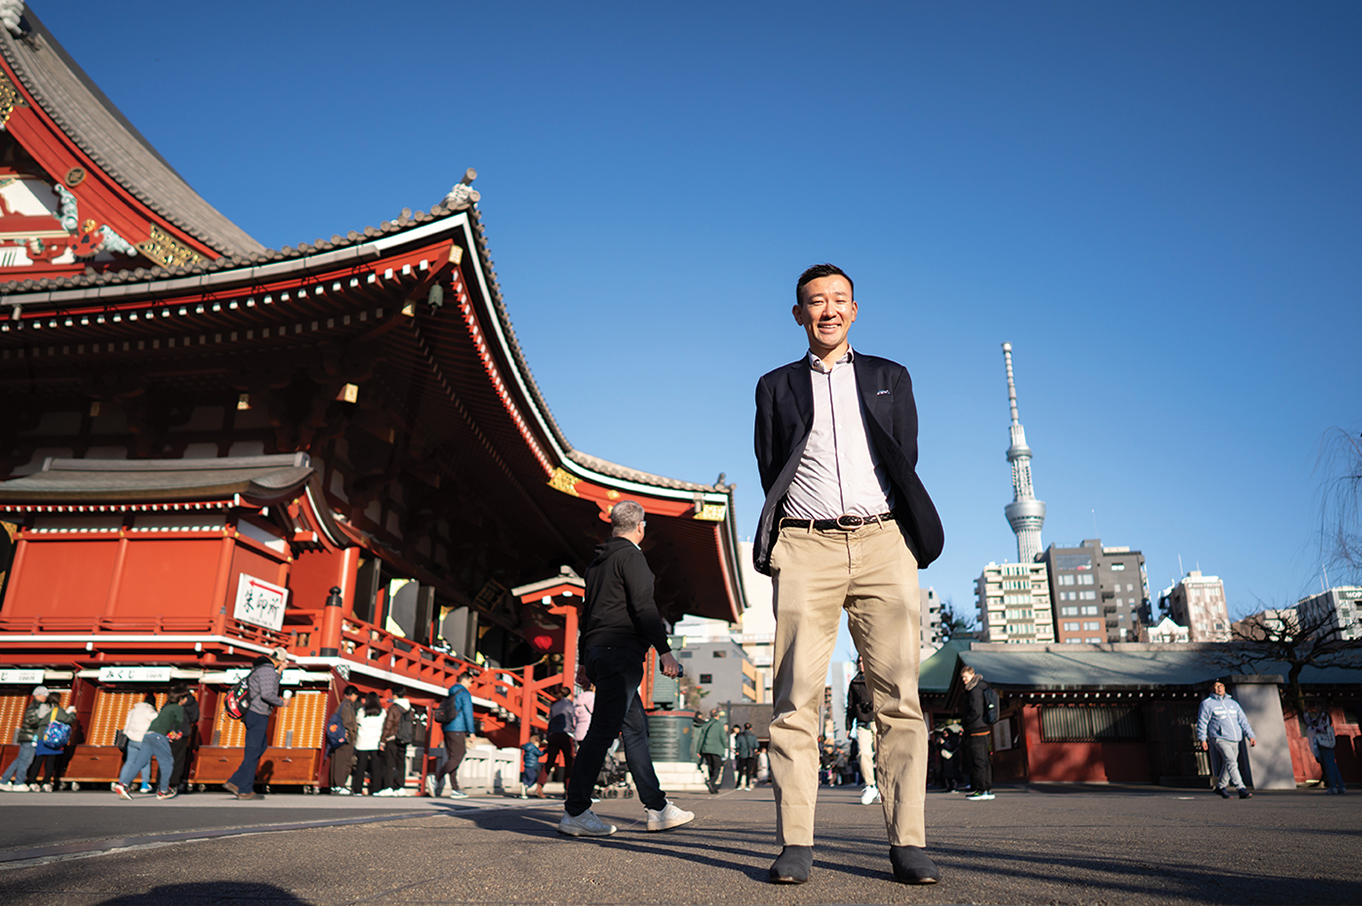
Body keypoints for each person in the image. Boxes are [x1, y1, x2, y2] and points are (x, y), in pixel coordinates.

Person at [753, 263, 945, 885]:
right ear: (798, 315)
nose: (828, 310)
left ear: (854, 310)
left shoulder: (890, 376)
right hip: (806, 546)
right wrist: (794, 537)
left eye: (839, 300)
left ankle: (908, 842)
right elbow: (770, 463)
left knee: (899, 699)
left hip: (884, 541)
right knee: (794, 700)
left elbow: (904, 455)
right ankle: (795, 843)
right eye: (815, 302)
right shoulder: (774, 385)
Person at [557, 499, 695, 837]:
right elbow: (644, 607)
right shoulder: (633, 558)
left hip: (599, 652)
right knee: (604, 731)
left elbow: (587, 616)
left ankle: (658, 808)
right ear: (640, 526)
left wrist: (582, 661)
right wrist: (665, 651)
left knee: (634, 728)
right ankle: (576, 810)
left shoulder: (596, 564)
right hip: (620, 654)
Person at [224, 646, 291, 801]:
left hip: (253, 713)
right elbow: (268, 693)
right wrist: (282, 702)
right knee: (253, 752)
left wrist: (279, 673)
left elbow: (268, 687)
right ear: (280, 660)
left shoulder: (260, 669)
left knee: (260, 747)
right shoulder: (267, 670)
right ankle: (245, 789)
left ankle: (235, 781)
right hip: (258, 713)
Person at [113, 690, 186, 800]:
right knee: (167, 762)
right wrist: (176, 731)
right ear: (181, 699)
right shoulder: (178, 707)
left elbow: (160, 724)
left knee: (139, 762)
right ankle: (163, 790)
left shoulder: (166, 708)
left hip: (148, 735)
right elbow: (179, 720)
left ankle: (124, 784)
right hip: (158, 736)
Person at [1197, 680, 1256, 800]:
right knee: (1232, 762)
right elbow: (1202, 722)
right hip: (1220, 738)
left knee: (1229, 763)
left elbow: (1243, 720)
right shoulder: (1207, 704)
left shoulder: (1233, 703)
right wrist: (1203, 739)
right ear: (1211, 689)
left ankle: (1220, 787)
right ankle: (1241, 788)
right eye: (1216, 686)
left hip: (1235, 738)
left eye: (1221, 686)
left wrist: (1250, 735)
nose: (1219, 688)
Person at [1, 686, 55, 791]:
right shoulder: (34, 707)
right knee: (26, 761)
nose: (45, 697)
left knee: (20, 759)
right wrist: (43, 719)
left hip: (27, 736)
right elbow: (33, 721)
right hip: (30, 737)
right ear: (38, 695)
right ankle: (19, 783)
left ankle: (4, 780)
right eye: (44, 695)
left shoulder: (34, 706)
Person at [431, 669, 474, 799]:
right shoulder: (464, 693)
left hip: (447, 728)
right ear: (465, 680)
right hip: (458, 728)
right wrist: (471, 731)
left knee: (452, 758)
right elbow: (468, 712)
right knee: (459, 755)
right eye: (470, 682)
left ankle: (455, 789)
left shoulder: (451, 692)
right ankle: (436, 777)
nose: (471, 685)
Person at [846, 657, 880, 805]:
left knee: (882, 755)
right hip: (862, 723)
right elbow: (850, 706)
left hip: (877, 721)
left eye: (862, 660)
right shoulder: (854, 682)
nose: (861, 663)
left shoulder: (878, 678)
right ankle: (870, 785)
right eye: (858, 661)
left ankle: (883, 787)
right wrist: (848, 727)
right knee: (863, 754)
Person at [26, 693, 76, 792]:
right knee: (50, 762)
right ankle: (46, 782)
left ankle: (32, 781)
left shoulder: (41, 709)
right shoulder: (56, 710)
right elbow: (68, 719)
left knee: (38, 760)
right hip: (51, 738)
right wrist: (73, 712)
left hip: (41, 737)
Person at [960, 666, 994, 802]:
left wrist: (966, 723)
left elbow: (975, 711)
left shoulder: (975, 691)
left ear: (972, 676)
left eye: (965, 677)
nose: (964, 680)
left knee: (978, 761)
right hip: (983, 728)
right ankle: (986, 788)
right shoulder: (982, 688)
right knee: (984, 761)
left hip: (976, 729)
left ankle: (981, 790)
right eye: (962, 677)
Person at [535, 687, 576, 798]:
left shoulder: (554, 705)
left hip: (553, 735)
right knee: (569, 762)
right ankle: (567, 790)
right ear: (569, 695)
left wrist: (548, 737)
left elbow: (550, 722)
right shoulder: (570, 705)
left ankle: (539, 787)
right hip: (565, 735)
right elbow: (573, 721)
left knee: (550, 761)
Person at [121, 694, 159, 794]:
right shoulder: (150, 711)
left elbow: (127, 724)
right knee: (145, 762)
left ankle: (122, 783)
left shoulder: (133, 710)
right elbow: (157, 722)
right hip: (144, 739)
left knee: (129, 762)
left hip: (131, 739)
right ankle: (145, 784)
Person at [379, 687, 414, 796]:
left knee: (390, 764)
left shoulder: (394, 708)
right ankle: (400, 787)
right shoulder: (409, 709)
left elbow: (388, 724)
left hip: (393, 738)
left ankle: (388, 787)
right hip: (404, 739)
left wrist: (383, 740)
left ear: (394, 695)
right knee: (401, 764)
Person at [166, 684, 200, 794]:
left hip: (169, 731)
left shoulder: (171, 699)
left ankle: (162, 782)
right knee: (179, 759)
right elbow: (195, 717)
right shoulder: (192, 702)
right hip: (183, 732)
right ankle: (175, 783)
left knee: (166, 758)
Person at [351, 692, 386, 795]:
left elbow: (357, 722)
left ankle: (357, 789)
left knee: (360, 767)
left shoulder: (361, 711)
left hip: (362, 741)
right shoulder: (382, 712)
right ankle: (376, 789)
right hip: (376, 741)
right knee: (376, 767)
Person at [1307, 707, 1346, 795]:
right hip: (1328, 741)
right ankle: (1340, 786)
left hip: (1324, 741)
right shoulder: (1319, 717)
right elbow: (1310, 722)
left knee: (1328, 764)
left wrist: (1313, 730)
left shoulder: (1323, 716)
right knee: (1332, 764)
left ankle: (1333, 786)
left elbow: (1323, 728)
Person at [330, 685, 361, 795]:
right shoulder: (347, 706)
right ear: (352, 694)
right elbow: (348, 722)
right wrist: (352, 733)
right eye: (356, 695)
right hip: (345, 738)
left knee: (337, 760)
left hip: (338, 737)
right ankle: (340, 784)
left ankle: (335, 785)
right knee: (344, 762)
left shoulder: (341, 705)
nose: (356, 697)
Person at [695, 708, 728, 794]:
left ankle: (713, 788)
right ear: (717, 715)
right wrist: (726, 746)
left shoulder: (706, 725)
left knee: (710, 767)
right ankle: (711, 782)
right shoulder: (720, 725)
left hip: (706, 749)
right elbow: (723, 737)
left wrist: (699, 750)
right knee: (716, 768)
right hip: (716, 750)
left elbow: (701, 738)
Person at [938, 725, 963, 792]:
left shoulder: (953, 739)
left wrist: (944, 743)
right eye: (944, 734)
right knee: (946, 775)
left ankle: (954, 787)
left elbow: (951, 747)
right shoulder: (943, 739)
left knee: (953, 774)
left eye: (946, 733)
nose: (945, 735)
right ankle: (948, 787)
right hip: (945, 760)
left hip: (952, 759)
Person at [735, 723, 760, 790]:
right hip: (750, 755)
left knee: (741, 770)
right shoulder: (753, 736)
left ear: (744, 728)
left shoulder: (740, 736)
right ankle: (748, 785)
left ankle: (738, 785)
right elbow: (756, 746)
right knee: (748, 771)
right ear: (751, 728)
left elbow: (737, 745)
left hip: (742, 755)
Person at [521, 733, 544, 799]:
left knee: (526, 778)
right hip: (532, 766)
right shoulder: (533, 748)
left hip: (526, 766)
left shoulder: (527, 748)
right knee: (533, 778)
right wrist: (545, 750)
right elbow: (540, 753)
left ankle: (524, 791)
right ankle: (527, 786)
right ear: (536, 742)